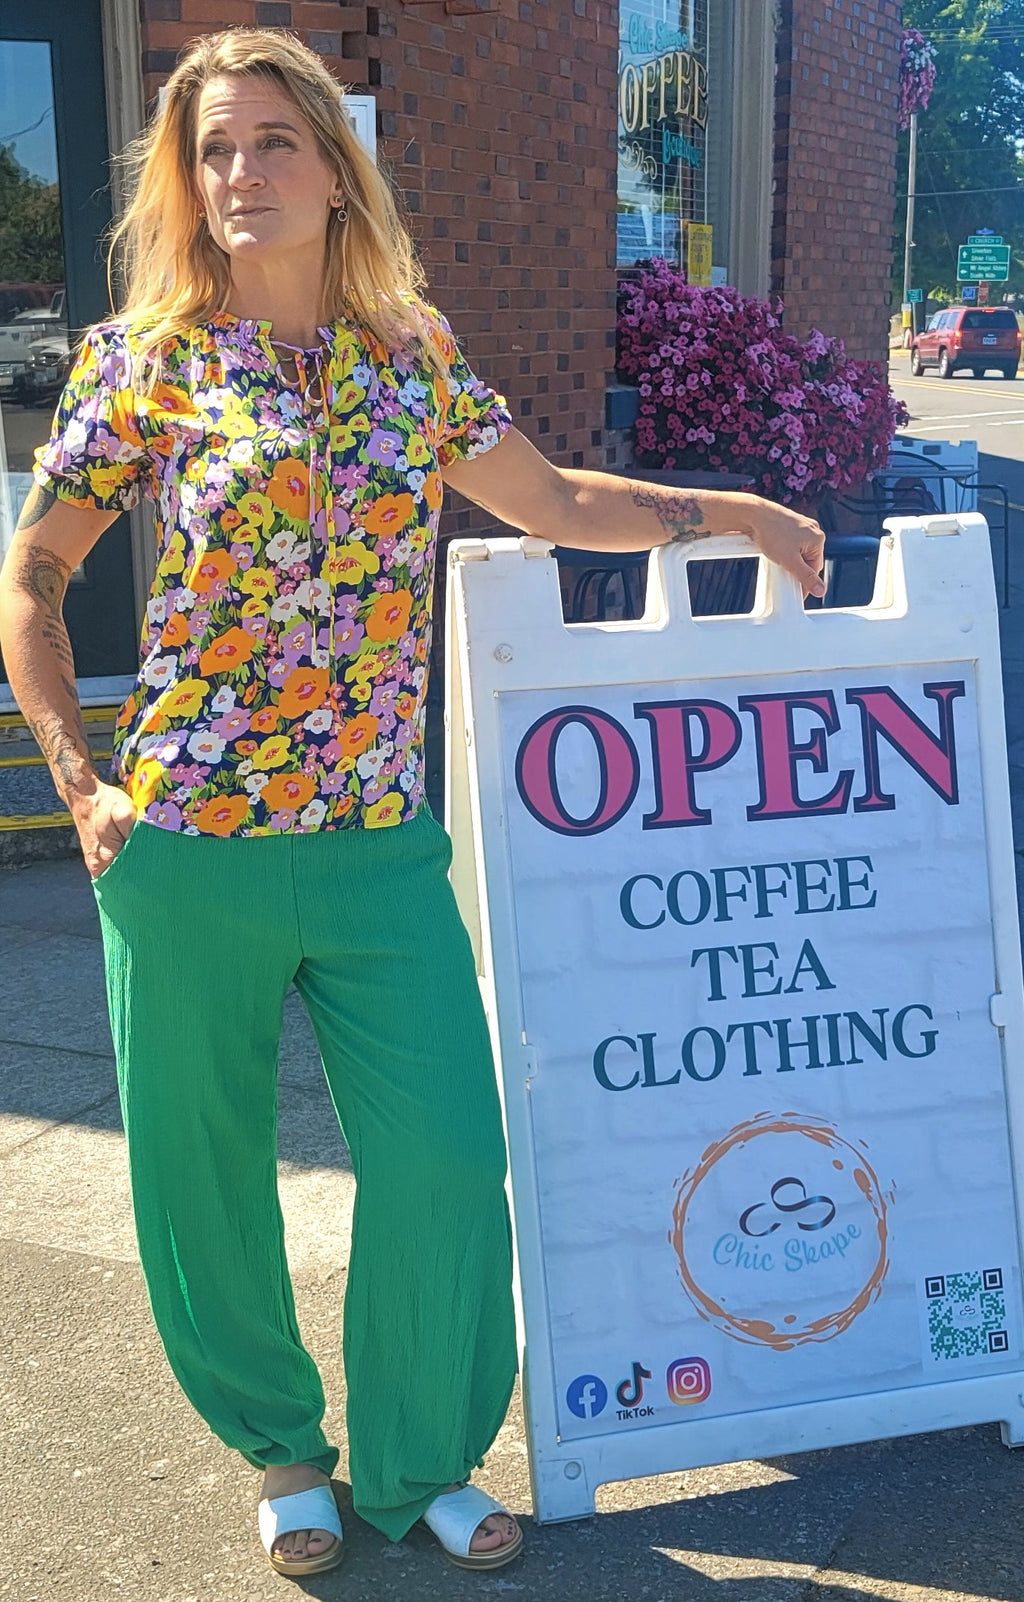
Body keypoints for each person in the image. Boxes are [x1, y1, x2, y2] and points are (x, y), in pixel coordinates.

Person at [0, 26, 826, 1582]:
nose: (240, 174)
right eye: (215, 150)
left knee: (447, 1152)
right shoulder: (145, 362)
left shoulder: (410, 356)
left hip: (378, 848)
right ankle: (284, 1450)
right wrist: (80, 776)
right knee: (204, 1178)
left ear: (333, 164)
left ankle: (418, 1454)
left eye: (271, 143)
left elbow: (563, 503)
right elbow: (32, 576)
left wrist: (736, 511)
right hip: (189, 847)